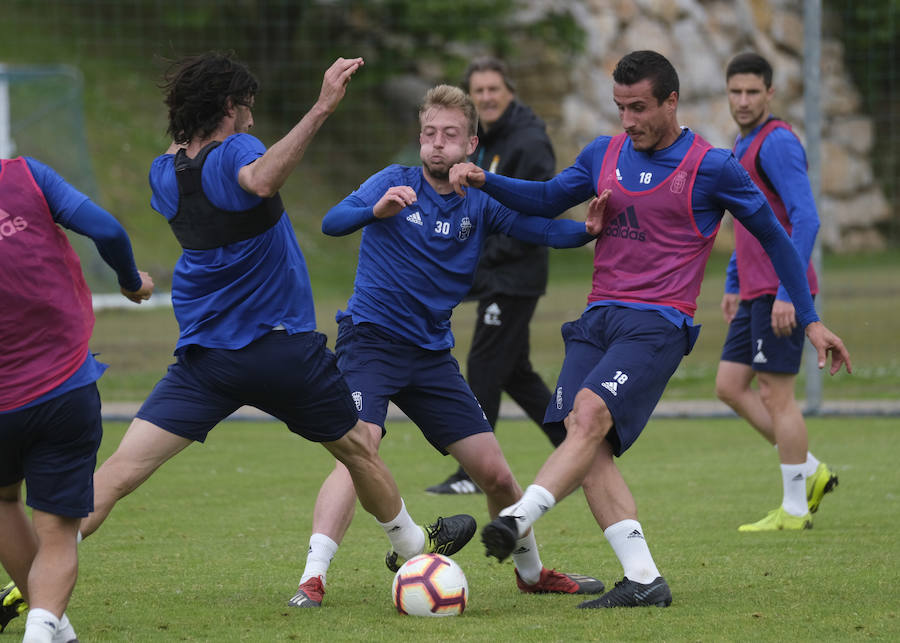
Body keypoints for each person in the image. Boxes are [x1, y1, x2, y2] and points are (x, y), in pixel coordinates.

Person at [449, 50, 852, 609]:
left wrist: (809, 319)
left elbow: (779, 238)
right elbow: (546, 199)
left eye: (639, 107)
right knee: (584, 444)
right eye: (620, 108)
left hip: (658, 322)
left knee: (588, 415)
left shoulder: (713, 167)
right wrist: (484, 180)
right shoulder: (603, 152)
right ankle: (643, 579)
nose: (628, 120)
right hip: (597, 319)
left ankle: (519, 516)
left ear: (670, 101)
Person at [69, 53, 477, 597]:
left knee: (119, 471)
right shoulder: (235, 150)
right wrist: (322, 107)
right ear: (229, 108)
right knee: (359, 451)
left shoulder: (164, 172)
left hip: (204, 359)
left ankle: (32, 575)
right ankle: (412, 549)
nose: (254, 123)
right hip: (280, 350)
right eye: (249, 110)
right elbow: (259, 181)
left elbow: (200, 163)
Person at [288, 84, 606, 609]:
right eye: (430, 134)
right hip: (371, 340)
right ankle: (313, 577)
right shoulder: (394, 182)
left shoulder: (479, 201)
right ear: (420, 139)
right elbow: (330, 222)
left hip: (432, 355)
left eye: (450, 136)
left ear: (471, 146)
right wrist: (377, 211)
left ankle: (531, 573)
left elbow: (540, 231)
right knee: (357, 450)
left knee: (497, 474)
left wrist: (585, 232)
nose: (438, 145)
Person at [0, 156, 154, 641]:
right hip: (64, 387)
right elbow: (107, 230)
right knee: (57, 530)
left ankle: (51, 629)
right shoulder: (24, 175)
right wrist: (130, 281)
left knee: (4, 502)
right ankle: (49, 630)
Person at [426, 57, 563, 496]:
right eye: (478, 91)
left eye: (493, 90)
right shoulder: (481, 140)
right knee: (515, 371)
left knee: (484, 365)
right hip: (495, 274)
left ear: (510, 92)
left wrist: (478, 260)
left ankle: (471, 473)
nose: (486, 97)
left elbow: (533, 216)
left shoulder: (529, 141)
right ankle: (575, 448)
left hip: (515, 276)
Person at [715, 52, 838, 531]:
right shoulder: (741, 141)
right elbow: (748, 223)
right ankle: (809, 469)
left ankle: (794, 508)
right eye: (735, 92)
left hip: (781, 293)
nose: (743, 101)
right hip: (754, 291)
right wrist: (732, 281)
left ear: (770, 93)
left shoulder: (778, 143)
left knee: (775, 394)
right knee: (729, 386)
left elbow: (806, 218)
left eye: (752, 92)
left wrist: (791, 292)